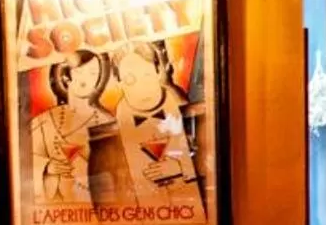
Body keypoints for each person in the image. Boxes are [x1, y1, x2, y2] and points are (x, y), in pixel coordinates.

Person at [111, 39, 204, 212]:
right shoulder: (121, 116)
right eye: (130, 80)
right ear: (119, 84)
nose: (142, 88)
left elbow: (211, 159)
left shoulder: (180, 104)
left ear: (157, 72)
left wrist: (181, 167)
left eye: (147, 75)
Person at [30, 47, 110, 205]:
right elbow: (24, 161)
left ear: (99, 79)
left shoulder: (106, 122)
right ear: (66, 76)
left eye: (93, 73)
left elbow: (113, 174)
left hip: (88, 206)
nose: (85, 80)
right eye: (79, 72)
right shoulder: (43, 121)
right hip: (50, 210)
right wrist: (47, 167)